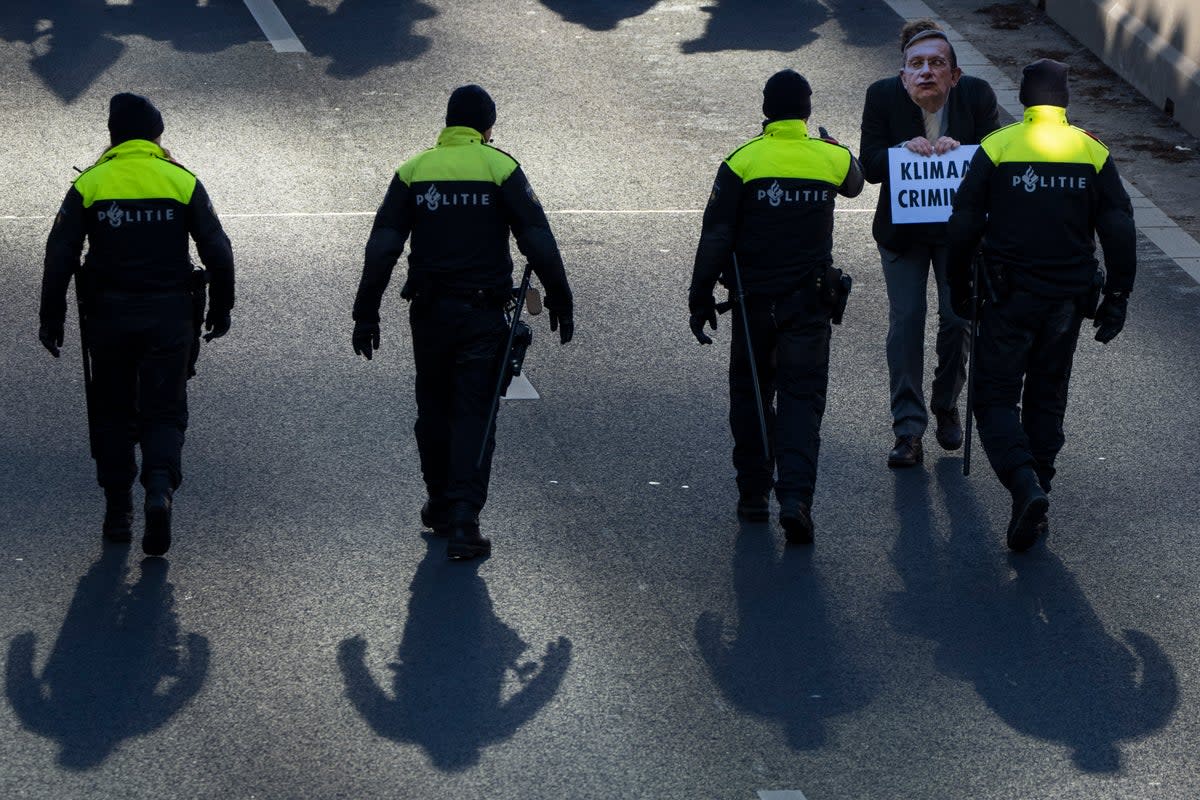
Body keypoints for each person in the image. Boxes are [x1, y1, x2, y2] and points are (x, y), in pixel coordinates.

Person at [352, 84, 573, 560]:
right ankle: (464, 519)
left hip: (428, 314)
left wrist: (365, 310)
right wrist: (561, 295)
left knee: (433, 407)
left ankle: (438, 499)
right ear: (487, 128)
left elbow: (384, 245)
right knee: (475, 412)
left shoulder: (414, 170)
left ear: (447, 124)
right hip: (483, 313)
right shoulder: (500, 168)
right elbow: (536, 236)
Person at [946, 59, 1136, 551]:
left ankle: (1023, 482)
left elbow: (964, 220)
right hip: (1068, 301)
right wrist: (1117, 297)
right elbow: (1117, 225)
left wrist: (957, 287)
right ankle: (1039, 492)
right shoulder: (1092, 151)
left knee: (993, 397)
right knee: (1048, 396)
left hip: (1007, 298)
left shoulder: (1000, 145)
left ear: (1025, 98)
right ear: (1066, 98)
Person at [39, 92, 235, 556]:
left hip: (107, 317)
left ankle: (117, 512)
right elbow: (218, 250)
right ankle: (160, 489)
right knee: (164, 409)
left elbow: (59, 254)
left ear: (112, 136)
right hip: (170, 315)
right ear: (155, 135)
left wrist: (52, 317)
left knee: (111, 411)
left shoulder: (91, 184)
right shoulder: (180, 181)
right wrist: (221, 308)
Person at [688, 69, 864, 544]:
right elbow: (856, 182)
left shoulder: (743, 161)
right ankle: (795, 499)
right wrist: (833, 142)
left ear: (765, 110)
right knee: (802, 401)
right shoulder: (830, 157)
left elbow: (716, 235)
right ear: (807, 111)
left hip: (751, 304)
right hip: (808, 304)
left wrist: (699, 296)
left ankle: (752, 496)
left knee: (750, 396)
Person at [860, 19, 1001, 468]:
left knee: (958, 319)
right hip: (903, 232)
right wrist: (903, 149)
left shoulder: (977, 96)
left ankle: (946, 401)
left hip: (957, 232)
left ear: (954, 75)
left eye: (936, 64)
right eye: (916, 65)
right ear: (903, 75)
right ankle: (908, 428)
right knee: (906, 322)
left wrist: (968, 151)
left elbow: (994, 164)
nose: (926, 72)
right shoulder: (881, 96)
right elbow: (869, 166)